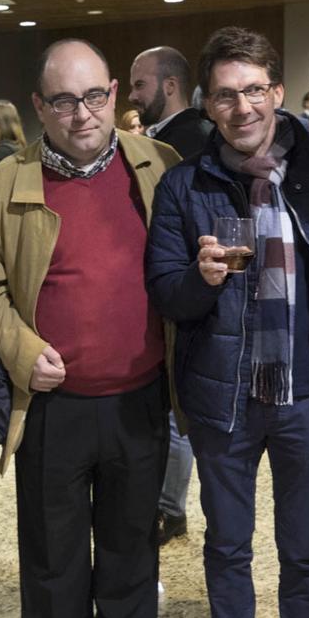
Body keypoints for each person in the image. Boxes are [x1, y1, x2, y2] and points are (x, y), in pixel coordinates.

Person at [145, 26, 309, 618]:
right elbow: (166, 294)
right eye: (225, 95)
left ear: (275, 90)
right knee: (228, 544)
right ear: (208, 103)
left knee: (304, 547)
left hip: (305, 396)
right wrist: (199, 282)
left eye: (254, 89)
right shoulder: (185, 185)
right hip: (224, 399)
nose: (242, 107)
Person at [0, 38, 180, 618]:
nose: (81, 113)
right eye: (62, 99)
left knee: (128, 538)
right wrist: (22, 349)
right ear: (39, 106)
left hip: (140, 395)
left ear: (115, 94)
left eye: (93, 96)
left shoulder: (161, 170)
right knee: (53, 545)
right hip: (53, 404)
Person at [128, 45, 214, 547]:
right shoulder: (164, 139)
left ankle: (169, 507)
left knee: (177, 414)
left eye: (139, 85)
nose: (134, 96)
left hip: (185, 293)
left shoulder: (188, 144)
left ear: (168, 86)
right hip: (169, 287)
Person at [129, 45, 214, 159]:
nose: (131, 97)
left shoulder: (192, 142)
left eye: (140, 85)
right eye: (132, 87)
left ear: (170, 86)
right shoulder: (168, 137)